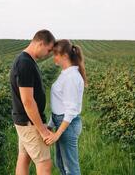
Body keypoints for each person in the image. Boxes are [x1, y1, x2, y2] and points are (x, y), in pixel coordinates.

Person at [9, 29, 55, 175]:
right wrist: (42, 130)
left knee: (24, 158)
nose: (49, 54)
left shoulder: (25, 60)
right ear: (40, 43)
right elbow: (28, 101)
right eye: (48, 50)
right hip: (29, 123)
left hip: (24, 121)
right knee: (44, 164)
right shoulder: (25, 63)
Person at [45, 39, 87, 175]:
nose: (54, 58)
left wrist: (58, 133)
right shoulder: (66, 74)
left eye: (56, 54)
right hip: (61, 122)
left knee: (71, 168)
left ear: (65, 56)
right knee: (61, 164)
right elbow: (59, 104)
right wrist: (51, 124)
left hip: (67, 124)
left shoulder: (72, 77)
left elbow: (70, 110)